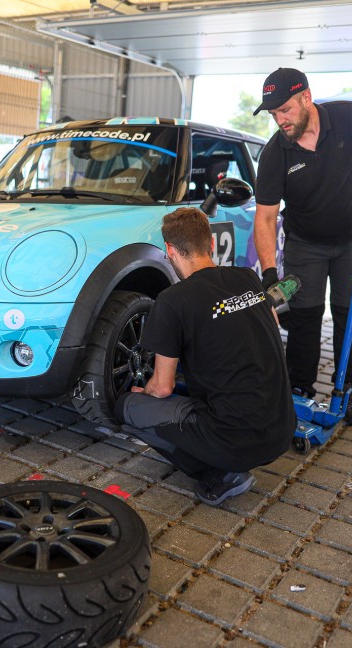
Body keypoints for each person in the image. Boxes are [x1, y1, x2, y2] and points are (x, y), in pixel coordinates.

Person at [252, 68, 352, 426]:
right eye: (274, 114)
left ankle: (349, 389)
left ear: (306, 98)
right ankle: (299, 389)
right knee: (303, 318)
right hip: (304, 244)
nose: (280, 120)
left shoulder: (348, 119)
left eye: (285, 109)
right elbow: (265, 218)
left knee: (350, 314)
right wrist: (270, 272)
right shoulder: (276, 153)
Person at [115, 207, 296, 507]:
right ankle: (220, 453)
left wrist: (141, 393)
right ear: (211, 243)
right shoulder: (248, 277)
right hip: (282, 429)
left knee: (127, 408)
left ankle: (220, 475)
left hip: (236, 443)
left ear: (170, 250)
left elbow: (163, 388)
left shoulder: (173, 300)